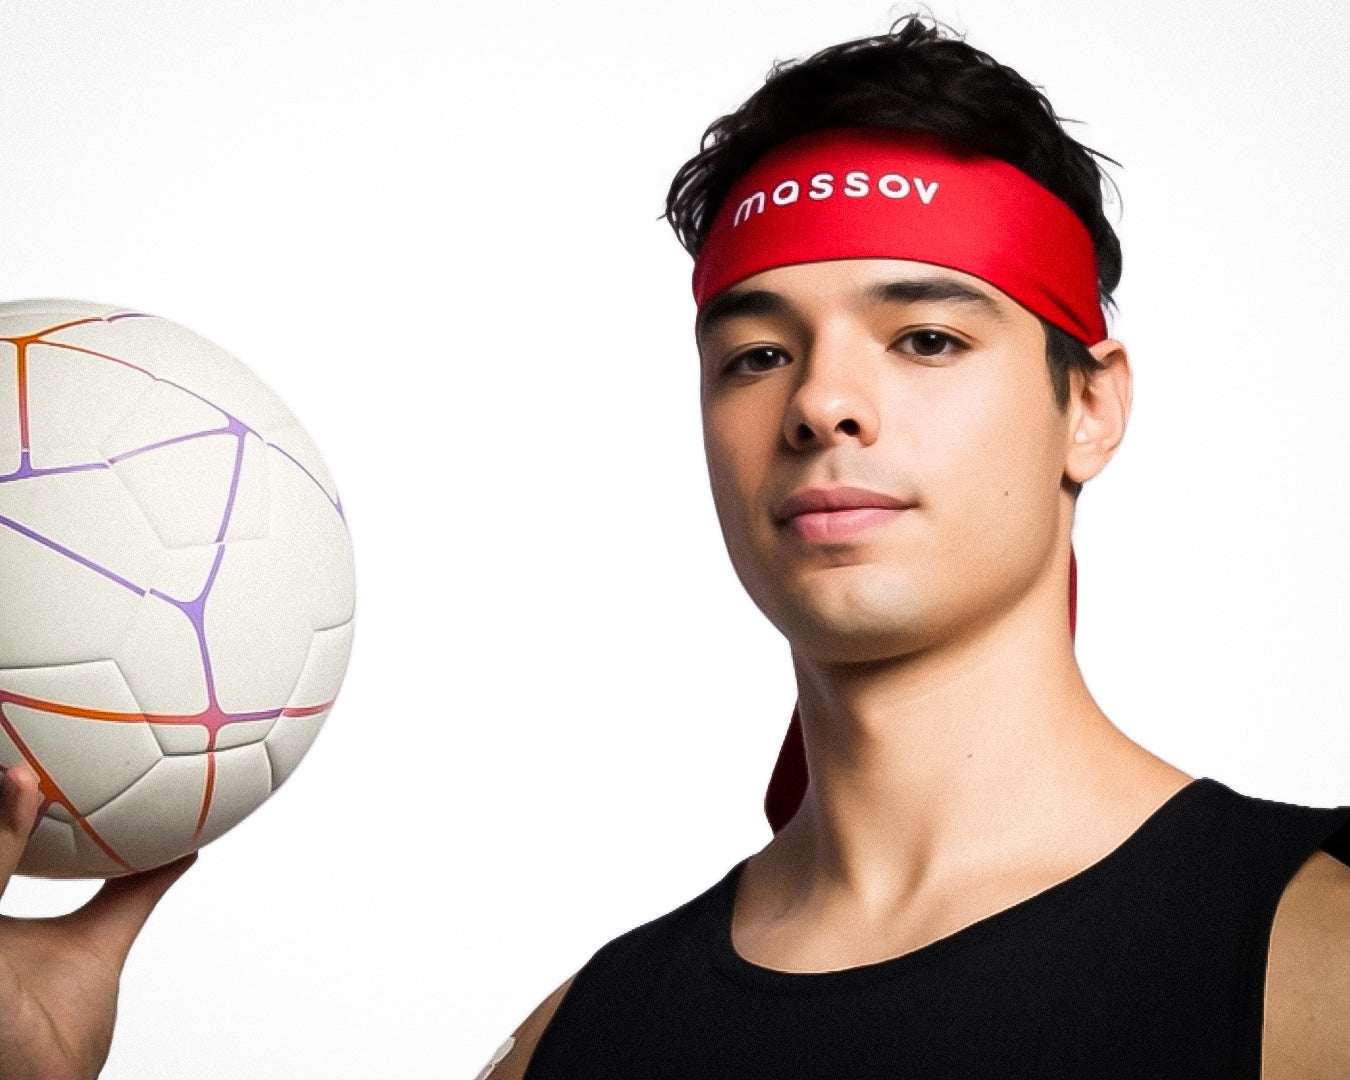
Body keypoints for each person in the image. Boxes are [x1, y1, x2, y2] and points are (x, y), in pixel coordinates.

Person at [480, 14, 1350, 1080]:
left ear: (1089, 405)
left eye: (927, 339)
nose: (822, 403)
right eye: (757, 355)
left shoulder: (1314, 957)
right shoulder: (579, 1039)